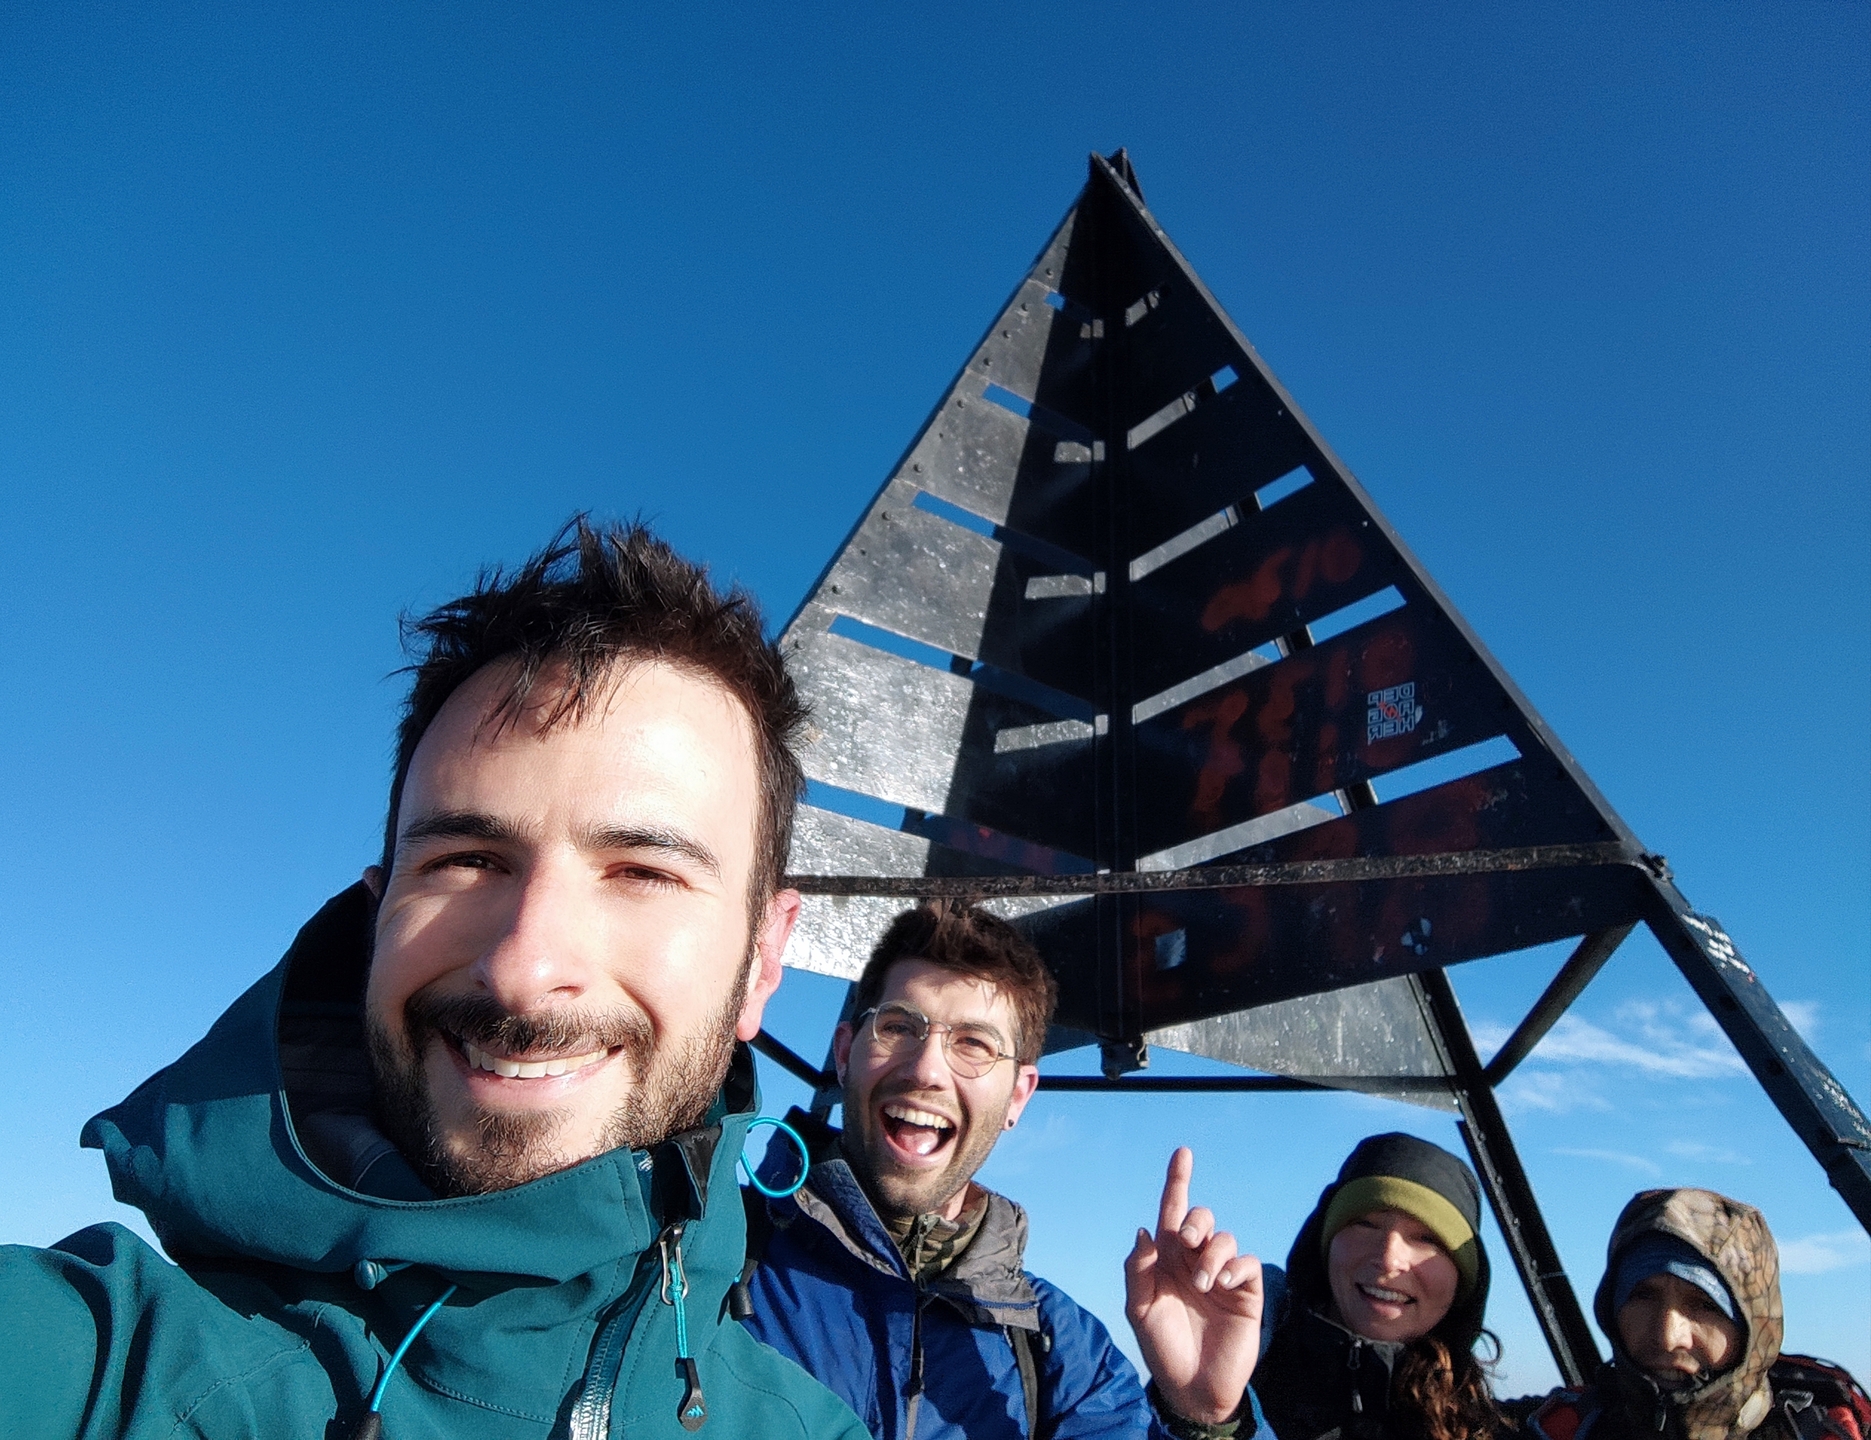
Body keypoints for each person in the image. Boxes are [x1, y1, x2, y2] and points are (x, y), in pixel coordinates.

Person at [0, 519, 871, 1440]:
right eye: (465, 860)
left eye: (643, 873)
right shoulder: (105, 1369)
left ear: (761, 960)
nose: (524, 969)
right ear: (376, 912)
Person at [740, 902, 1265, 1439]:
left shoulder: (1064, 1352)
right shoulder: (711, 1251)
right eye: (898, 1026)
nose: (927, 1069)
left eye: (973, 1043)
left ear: (1018, 1095)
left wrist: (1204, 1418)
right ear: (845, 1053)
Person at [1518, 1187, 1869, 1440]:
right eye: (1643, 1296)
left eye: (1705, 1305)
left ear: (1756, 1328)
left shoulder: (1827, 1430)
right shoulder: (1564, 1428)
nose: (1668, 1337)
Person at [1250, 1131, 1504, 1440]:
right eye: (1365, 1224)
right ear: (1325, 1244)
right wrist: (1212, 1419)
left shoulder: (1491, 1427)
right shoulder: (1238, 1370)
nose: (1388, 1259)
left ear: (1463, 1278)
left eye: (1427, 1239)